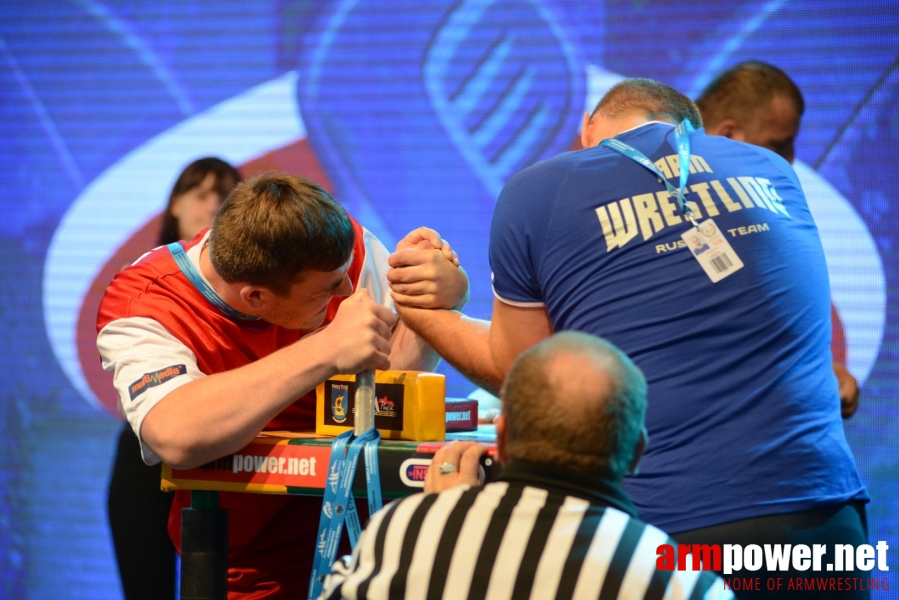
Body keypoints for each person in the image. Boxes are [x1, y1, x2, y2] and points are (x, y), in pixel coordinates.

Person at [388, 79, 869, 598]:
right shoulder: (772, 170)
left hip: (667, 536)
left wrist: (422, 305)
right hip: (827, 520)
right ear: (692, 133)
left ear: (588, 128)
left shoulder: (540, 188)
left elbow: (520, 373)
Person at [96, 171, 469, 598]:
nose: (347, 289)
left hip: (376, 552)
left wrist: (434, 305)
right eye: (329, 290)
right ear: (256, 297)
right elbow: (177, 434)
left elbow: (390, 385)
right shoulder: (147, 303)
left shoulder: (339, 246)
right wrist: (326, 348)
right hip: (256, 571)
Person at [322, 332, 733, 600]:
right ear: (637, 451)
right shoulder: (677, 581)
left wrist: (442, 517)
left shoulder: (401, 529)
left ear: (499, 436)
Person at [107, 157, 241, 600]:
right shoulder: (140, 285)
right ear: (174, 206)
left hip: (234, 459)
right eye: (199, 193)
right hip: (145, 461)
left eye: (224, 195)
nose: (212, 205)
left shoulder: (261, 289)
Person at [695, 60, 859, 417]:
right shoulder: (628, 178)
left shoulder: (763, 206)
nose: (790, 160)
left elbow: (795, 289)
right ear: (728, 135)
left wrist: (832, 367)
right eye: (779, 145)